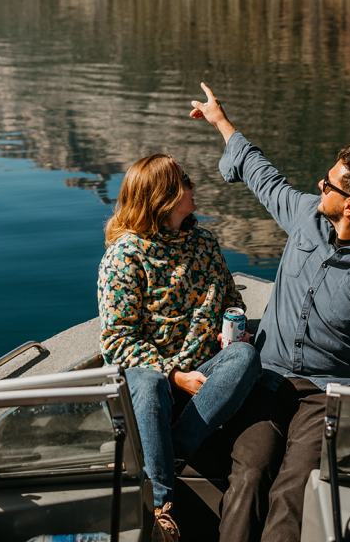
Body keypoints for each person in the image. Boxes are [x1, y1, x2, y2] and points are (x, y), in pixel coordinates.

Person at [190, 83, 350, 542]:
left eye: (328, 183)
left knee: (293, 492)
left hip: (330, 395)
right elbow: (262, 174)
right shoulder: (307, 215)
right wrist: (221, 122)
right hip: (266, 378)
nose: (318, 186)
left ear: (349, 205)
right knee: (248, 474)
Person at [98, 153, 261, 542]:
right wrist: (174, 375)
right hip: (147, 377)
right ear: (163, 196)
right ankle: (162, 507)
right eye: (184, 180)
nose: (192, 186)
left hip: (201, 372)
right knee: (150, 384)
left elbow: (231, 299)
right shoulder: (125, 256)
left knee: (245, 356)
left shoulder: (203, 243)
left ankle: (171, 450)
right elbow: (117, 340)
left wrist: (229, 329)